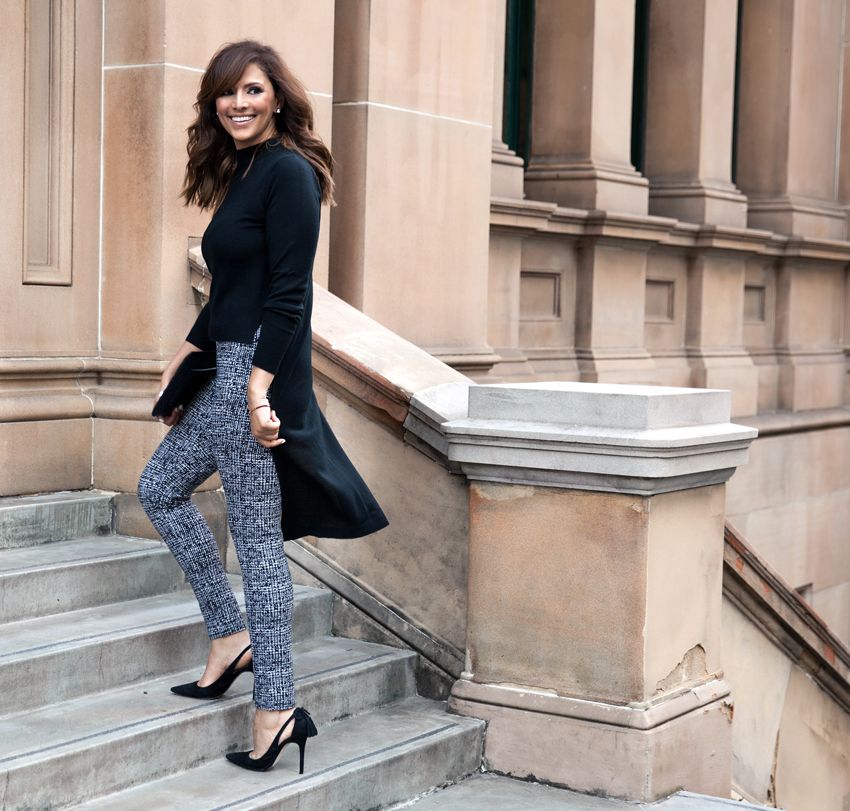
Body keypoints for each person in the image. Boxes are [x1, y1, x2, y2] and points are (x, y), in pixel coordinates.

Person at [138, 39, 388, 774]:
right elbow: (231, 290)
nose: (237, 103)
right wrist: (182, 362)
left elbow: (288, 294)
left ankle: (275, 709)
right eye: (227, 92)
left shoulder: (290, 172)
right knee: (161, 489)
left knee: (255, 543)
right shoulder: (246, 170)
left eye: (251, 90)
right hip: (226, 368)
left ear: (277, 96)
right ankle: (231, 637)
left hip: (252, 374)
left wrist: (255, 389)